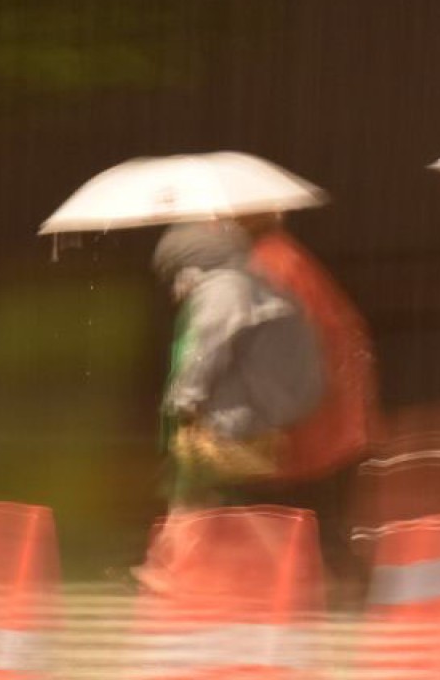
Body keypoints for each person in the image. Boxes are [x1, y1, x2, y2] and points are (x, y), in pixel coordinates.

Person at [134, 221, 324, 592]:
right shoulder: (249, 282)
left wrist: (184, 398)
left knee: (200, 493)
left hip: (233, 417)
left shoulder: (223, 289)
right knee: (211, 496)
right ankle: (168, 569)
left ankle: (170, 571)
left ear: (190, 260)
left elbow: (208, 348)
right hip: (253, 413)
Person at [231, 212, 382, 604]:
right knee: (313, 513)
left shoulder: (269, 264)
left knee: (294, 510)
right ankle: (345, 586)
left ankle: (334, 589)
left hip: (303, 416)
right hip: (322, 412)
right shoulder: (288, 257)